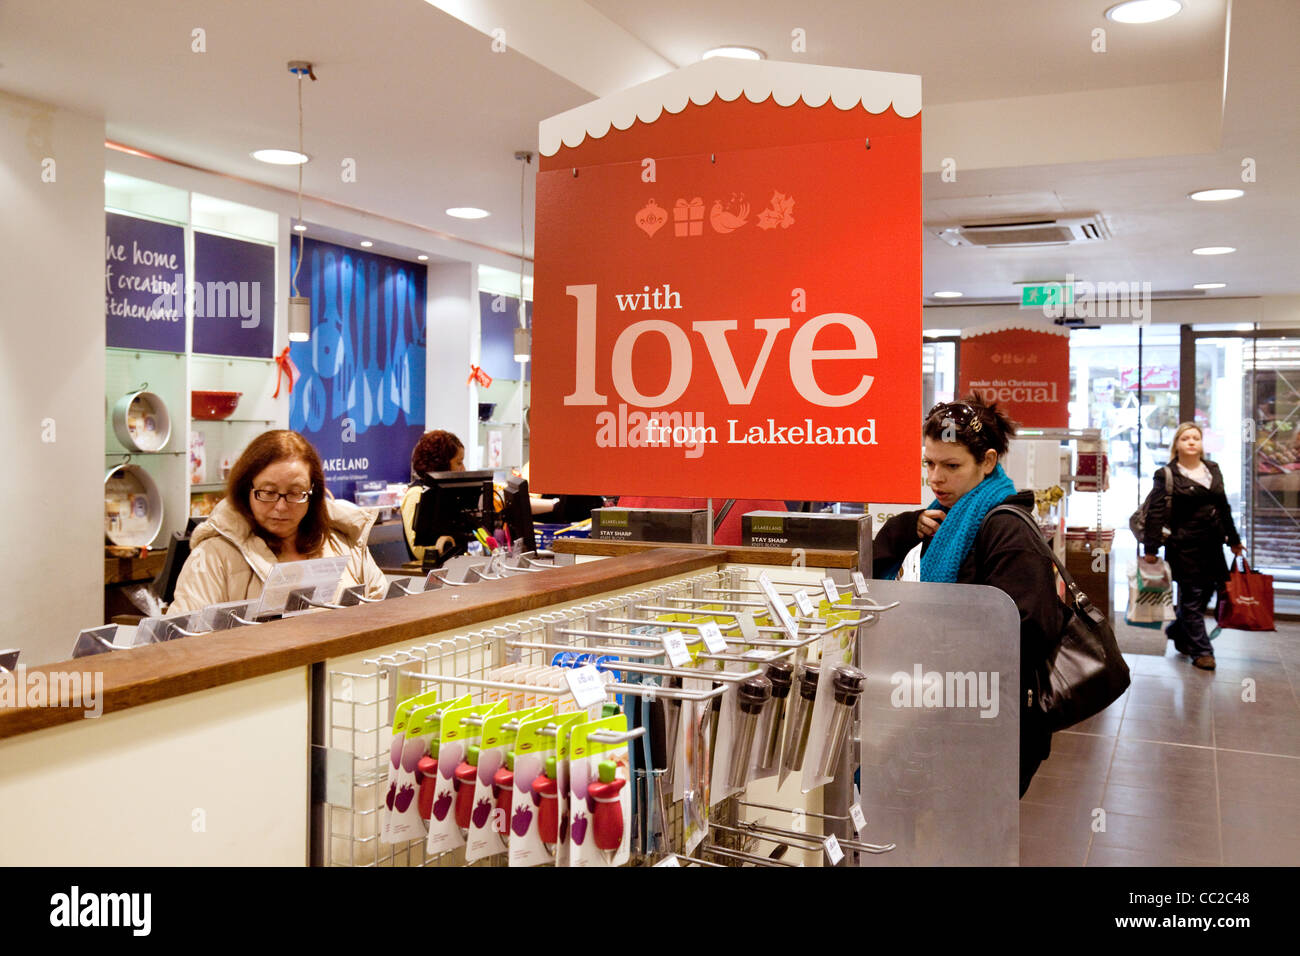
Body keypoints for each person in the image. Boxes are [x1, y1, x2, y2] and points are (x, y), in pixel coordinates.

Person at [872, 394, 1066, 797]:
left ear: (989, 462)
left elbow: (1030, 630)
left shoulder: (1006, 529)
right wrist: (903, 528)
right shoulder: (941, 520)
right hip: (943, 712)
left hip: (987, 724)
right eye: (929, 463)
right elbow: (873, 578)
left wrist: (939, 653)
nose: (935, 478)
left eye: (951, 466)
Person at [170, 430, 385, 614]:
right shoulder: (212, 556)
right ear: (247, 490)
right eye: (268, 492)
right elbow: (185, 644)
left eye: (295, 493)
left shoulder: (344, 542)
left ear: (313, 493)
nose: (281, 507)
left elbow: (384, 610)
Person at [1142, 422, 1243, 671]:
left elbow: (1223, 507)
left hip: (1213, 545)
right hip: (1183, 546)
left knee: (1206, 594)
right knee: (1193, 596)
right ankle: (1202, 651)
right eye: (1185, 438)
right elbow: (1155, 513)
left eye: (1195, 438)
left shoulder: (1212, 469)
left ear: (1201, 443)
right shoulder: (1166, 474)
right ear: (1177, 444)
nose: (1191, 442)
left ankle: (1178, 630)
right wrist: (1151, 549)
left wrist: (1234, 539)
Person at [401, 429, 465, 562]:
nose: (463, 469)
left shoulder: (450, 495)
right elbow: (418, 551)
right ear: (442, 464)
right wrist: (445, 545)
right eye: (459, 463)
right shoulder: (416, 494)